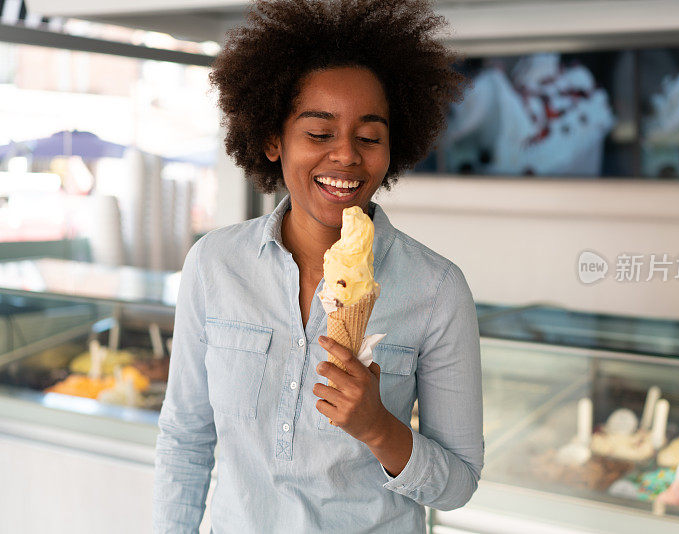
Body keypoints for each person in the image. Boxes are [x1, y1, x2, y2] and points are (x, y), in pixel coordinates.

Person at [152, 1, 483, 532]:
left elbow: (460, 482)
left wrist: (379, 429)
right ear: (270, 139)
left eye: (369, 136)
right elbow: (185, 440)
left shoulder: (438, 289)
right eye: (319, 133)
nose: (347, 155)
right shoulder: (214, 264)